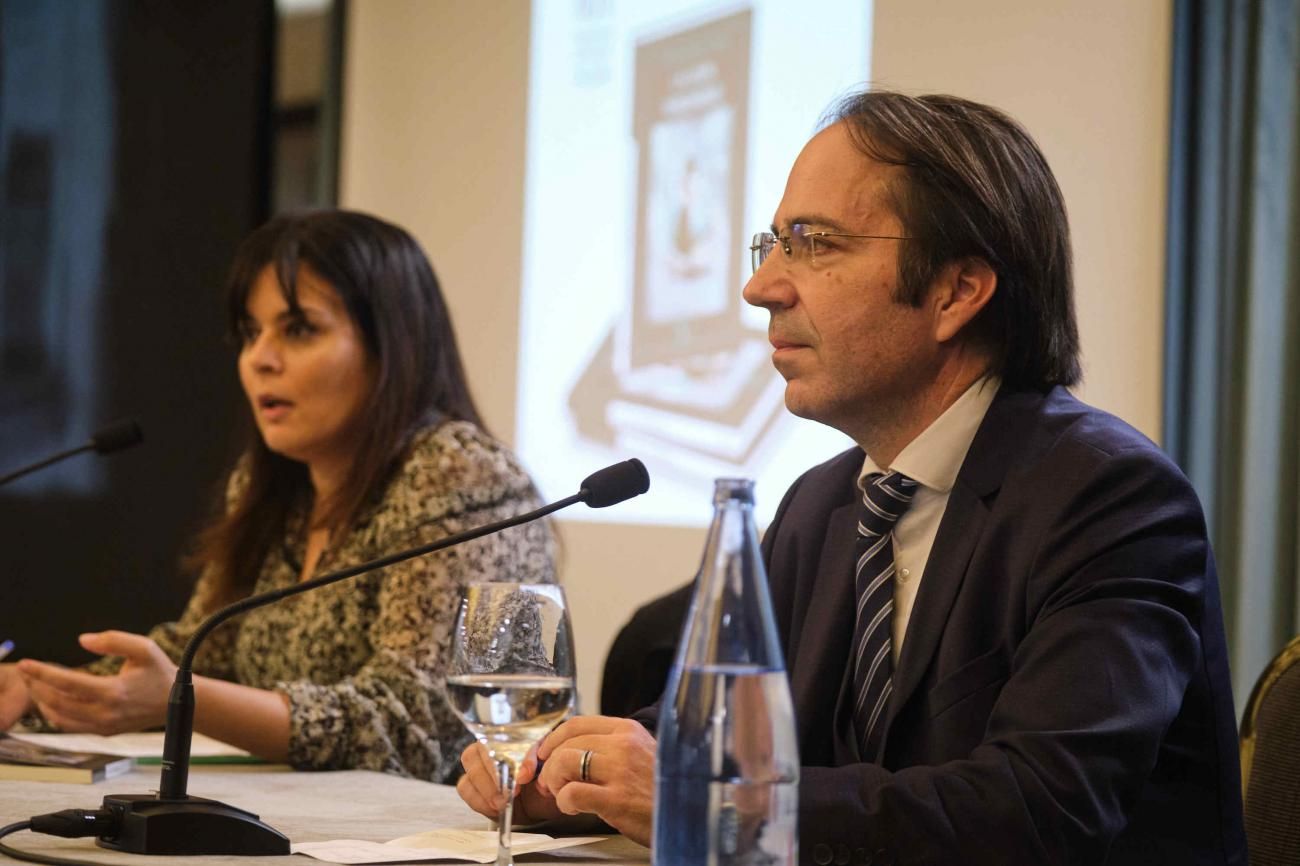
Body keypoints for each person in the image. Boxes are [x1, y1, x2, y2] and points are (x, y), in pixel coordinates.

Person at [456, 90, 1248, 864]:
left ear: (956, 292)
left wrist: (718, 802)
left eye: (815, 243)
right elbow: (703, 740)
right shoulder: (823, 503)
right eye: (773, 245)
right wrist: (563, 778)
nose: (760, 287)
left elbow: (1041, 807)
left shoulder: (1111, 500)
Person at [0, 210, 556, 782]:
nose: (259, 358)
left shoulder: (468, 479)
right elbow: (198, 650)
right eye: (249, 332)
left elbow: (419, 729)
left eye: (298, 330)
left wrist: (180, 697)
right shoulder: (276, 485)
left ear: (391, 344)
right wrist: (37, 688)